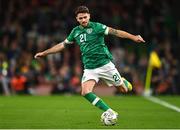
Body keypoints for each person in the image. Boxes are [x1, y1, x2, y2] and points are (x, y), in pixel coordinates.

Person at [34, 6, 145, 120]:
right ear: (77, 19)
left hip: (105, 65)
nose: (83, 20)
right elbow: (62, 45)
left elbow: (116, 32)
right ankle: (110, 111)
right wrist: (45, 53)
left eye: (85, 17)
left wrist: (133, 37)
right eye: (80, 18)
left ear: (89, 16)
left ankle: (122, 81)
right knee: (85, 92)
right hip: (90, 68)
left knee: (124, 90)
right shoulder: (75, 31)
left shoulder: (97, 27)